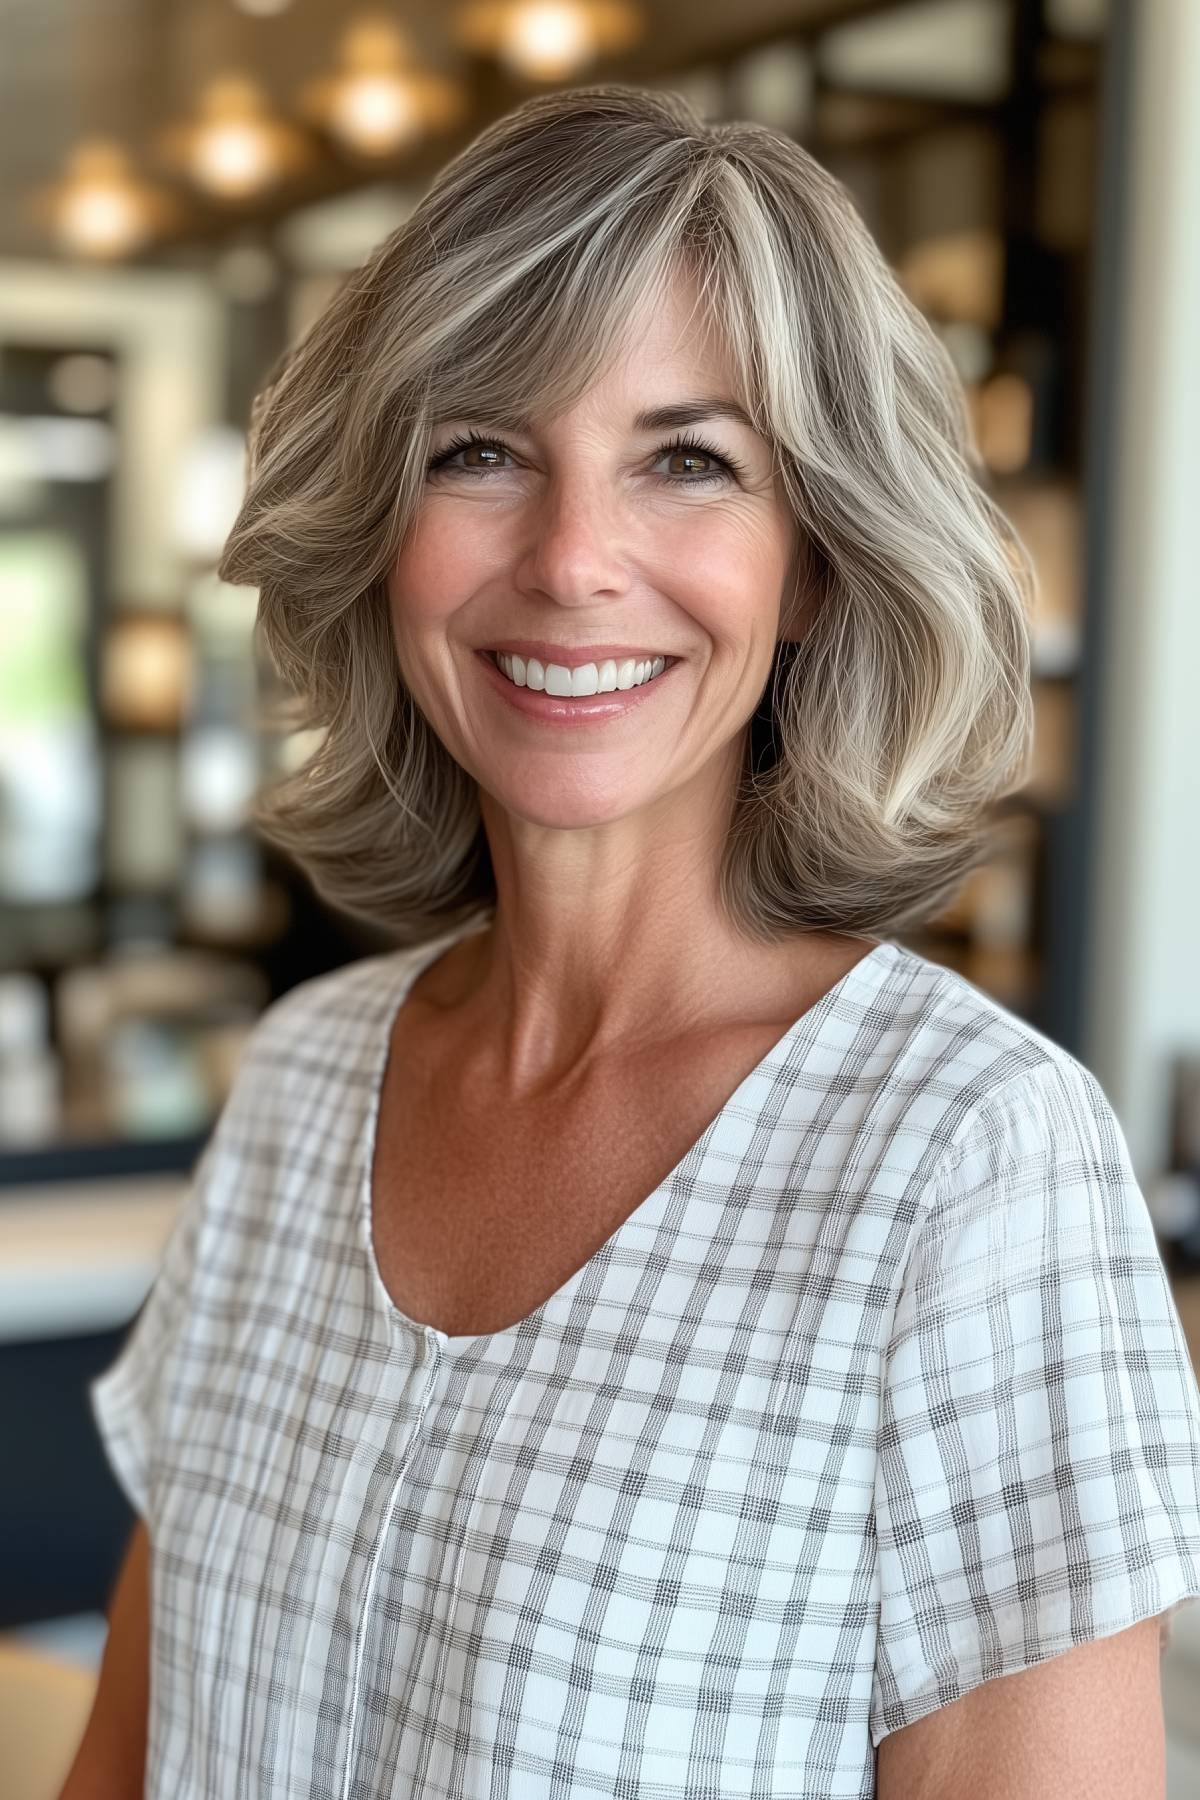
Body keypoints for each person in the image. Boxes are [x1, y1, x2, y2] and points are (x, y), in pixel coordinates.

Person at [70, 83, 1200, 1800]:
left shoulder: (968, 1166)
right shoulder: (304, 1085)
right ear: (388, 531)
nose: (575, 559)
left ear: (811, 559)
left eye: (689, 460)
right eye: (481, 449)